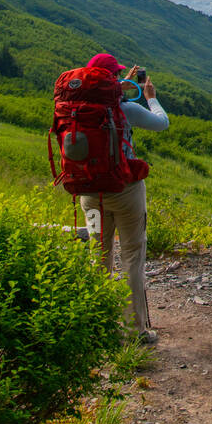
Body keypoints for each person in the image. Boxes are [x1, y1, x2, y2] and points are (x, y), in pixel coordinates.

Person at [78, 52, 169, 345]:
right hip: (125, 191)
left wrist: (124, 84)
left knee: (98, 254)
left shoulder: (76, 106)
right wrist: (151, 97)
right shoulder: (124, 108)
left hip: (90, 193)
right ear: (112, 79)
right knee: (132, 257)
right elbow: (161, 124)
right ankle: (137, 330)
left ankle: (97, 322)